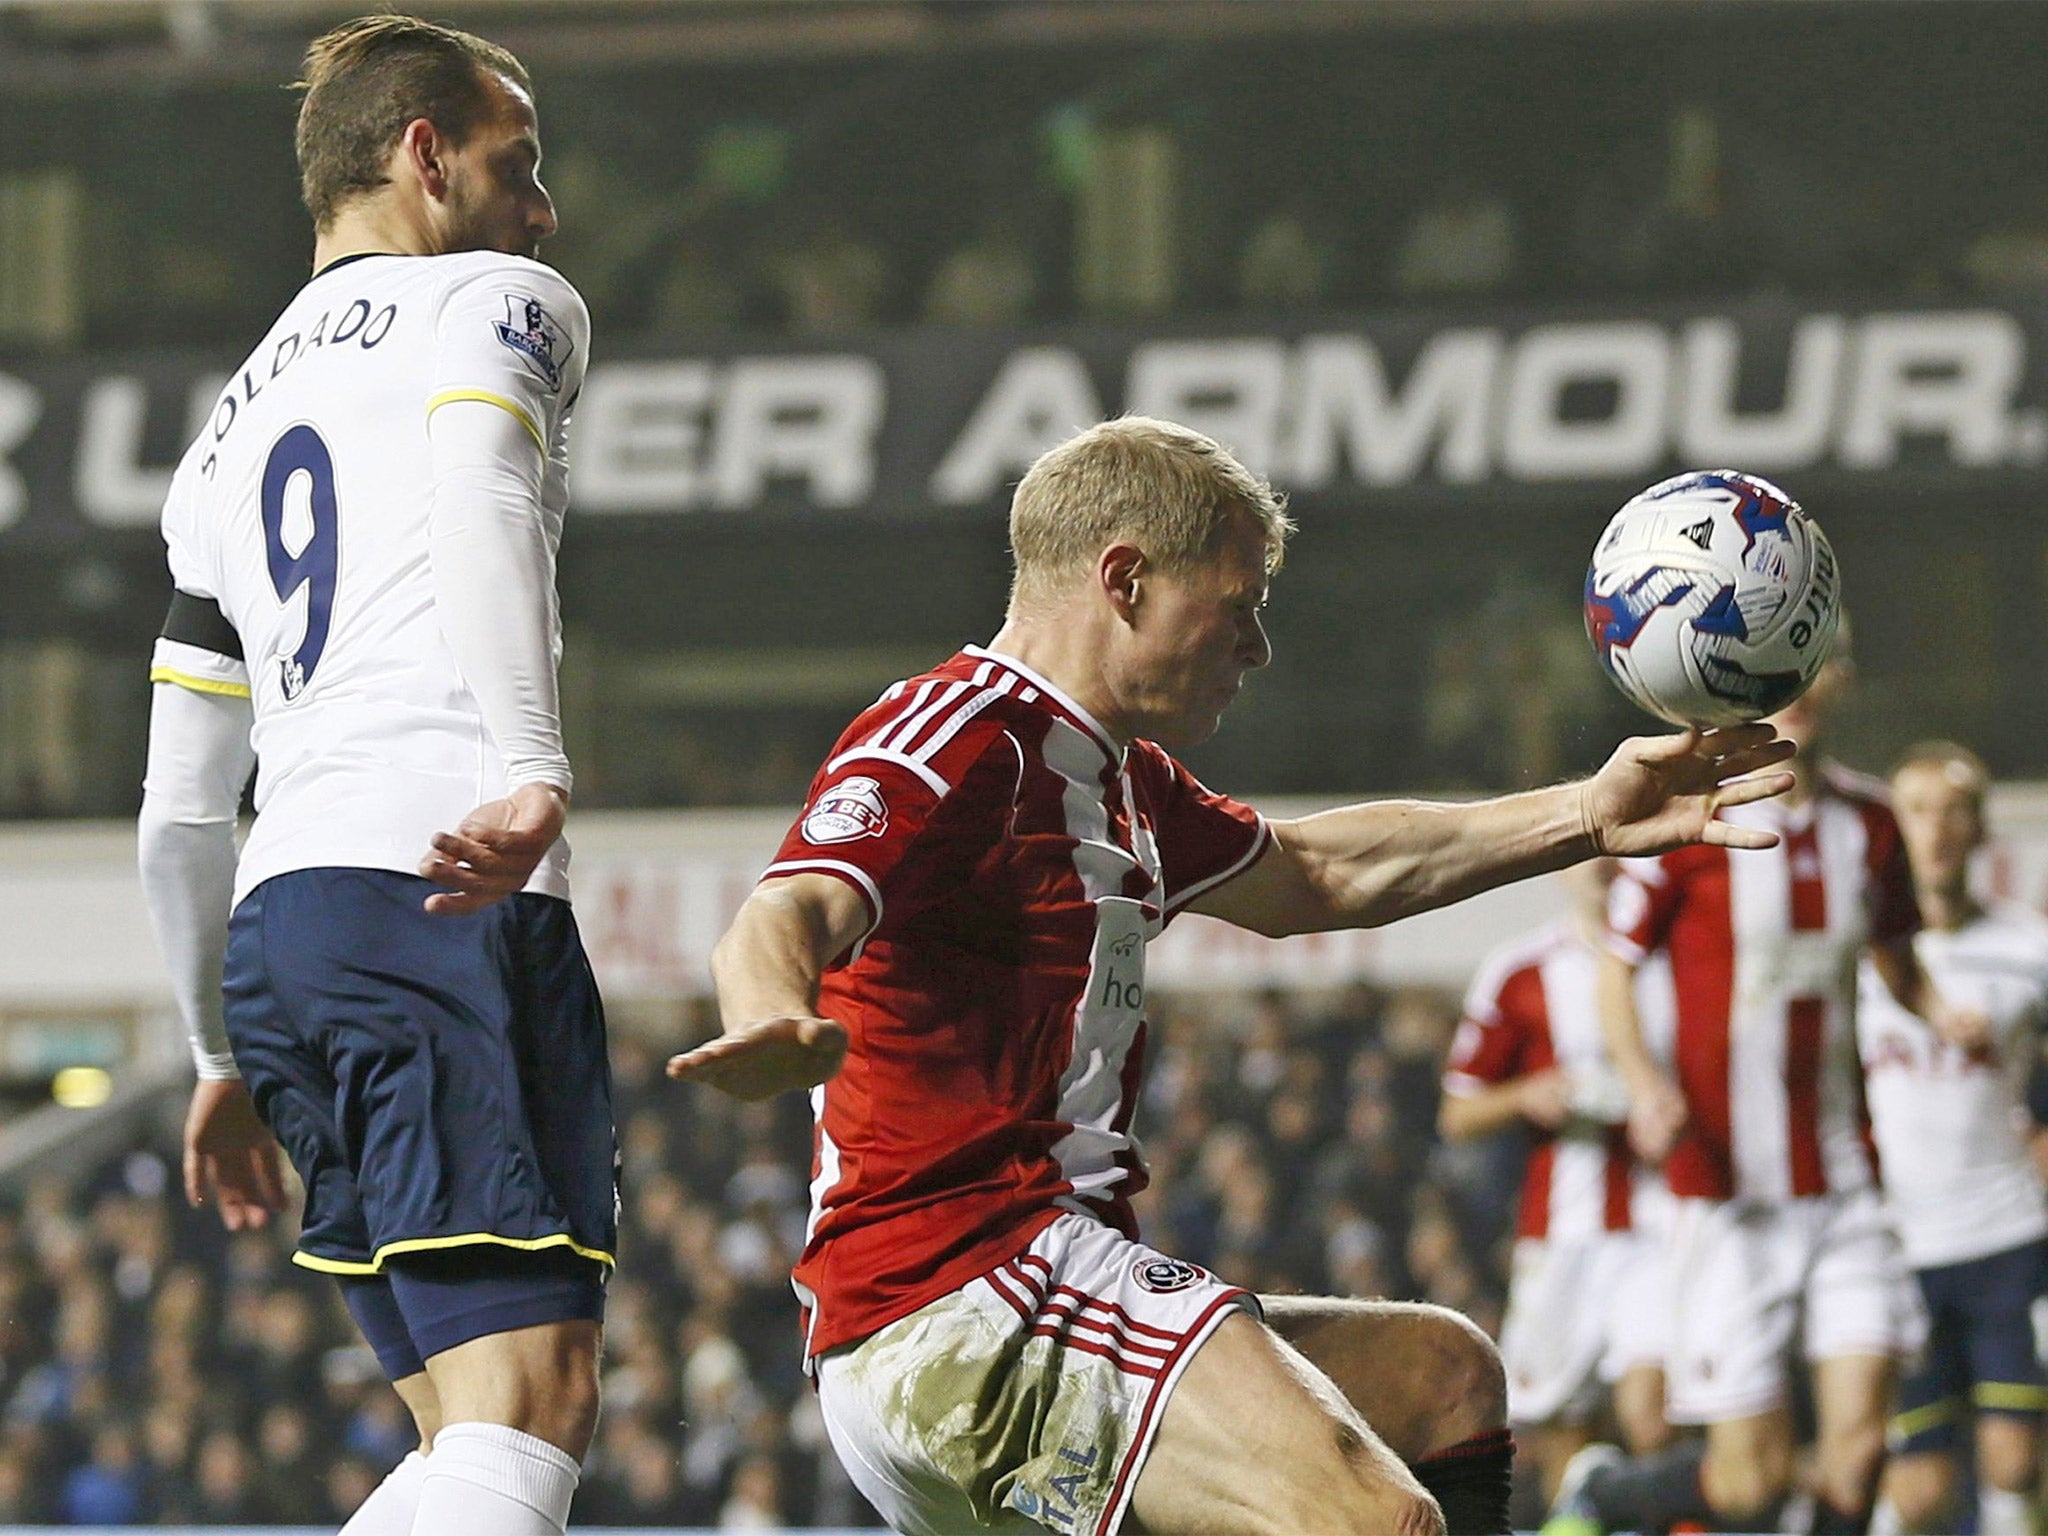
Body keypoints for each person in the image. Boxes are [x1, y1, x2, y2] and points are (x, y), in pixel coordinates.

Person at [668, 414, 1797, 1536]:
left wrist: (1586, 816)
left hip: (1036, 1286)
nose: (1255, 649)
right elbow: (785, 908)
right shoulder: (960, 735)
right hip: (960, 1295)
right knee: (1375, 1521)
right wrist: (767, 1013)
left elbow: (1316, 873)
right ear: (1125, 580)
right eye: (1238, 606)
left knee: (1440, 1377)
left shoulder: (1120, 779)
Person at [136, 16, 608, 1536]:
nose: (538, 207)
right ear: (424, 156)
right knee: (529, 1412)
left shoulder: (218, 445)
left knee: (462, 1434)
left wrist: (215, 1052)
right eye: (514, 164)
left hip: (286, 936)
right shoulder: (498, 300)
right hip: (441, 887)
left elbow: (182, 809)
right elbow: (475, 489)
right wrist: (536, 771)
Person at [1553, 636, 1960, 1536]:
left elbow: (1896, 960)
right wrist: (1644, 1082)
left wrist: (1946, 1015)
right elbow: (1615, 968)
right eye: (1780, 670)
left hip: (1846, 1181)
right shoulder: (1691, 821)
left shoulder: (1873, 823)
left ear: (1841, 680)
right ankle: (1607, 1493)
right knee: (1752, 1483)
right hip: (1724, 1189)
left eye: (1816, 666)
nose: (1800, 689)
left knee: (1858, 1455)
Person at [1439, 858, 1673, 1507]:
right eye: (1585, 852)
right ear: (1562, 872)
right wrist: (1525, 1095)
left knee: (1654, 1417)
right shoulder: (1520, 971)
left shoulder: (1680, 958)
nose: (1603, 865)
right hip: (1562, 1233)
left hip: (1664, 1223)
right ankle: (1593, 1513)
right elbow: (1458, 1113)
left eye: (1620, 850)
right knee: (1561, 1429)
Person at [1859, 743, 2048, 1536]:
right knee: (1920, 1488)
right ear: (1894, 830)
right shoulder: (1858, 956)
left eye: (1954, 810)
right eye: (1918, 810)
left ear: (1980, 831)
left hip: (2007, 1233)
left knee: (2015, 1460)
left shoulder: (2030, 947)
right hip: (1897, 1243)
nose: (1936, 829)